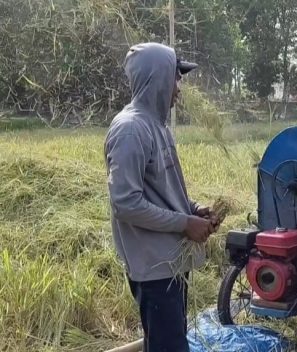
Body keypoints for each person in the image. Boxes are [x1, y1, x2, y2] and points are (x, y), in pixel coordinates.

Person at [104, 42, 219, 352]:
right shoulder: (130, 130)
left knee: (171, 342)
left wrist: (195, 210)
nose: (179, 88)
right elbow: (125, 203)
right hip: (153, 268)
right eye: (175, 78)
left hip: (171, 262)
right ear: (157, 78)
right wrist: (184, 223)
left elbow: (162, 190)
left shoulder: (158, 127)